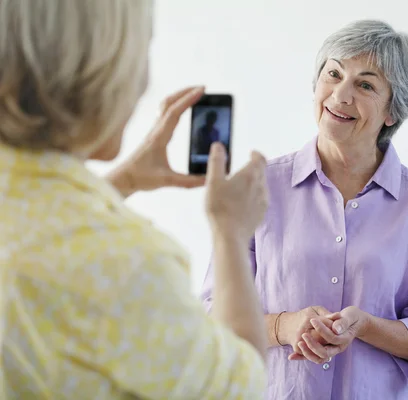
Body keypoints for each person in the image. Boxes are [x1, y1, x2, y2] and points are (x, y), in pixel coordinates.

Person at [0, 1, 268, 399]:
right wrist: (229, 232)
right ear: (98, 72)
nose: (144, 82)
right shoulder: (126, 265)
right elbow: (239, 386)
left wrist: (123, 181)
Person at [201, 19, 408, 399]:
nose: (340, 95)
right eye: (333, 73)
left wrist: (366, 326)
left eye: (366, 85)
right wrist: (284, 327)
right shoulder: (260, 187)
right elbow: (212, 311)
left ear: (393, 111)